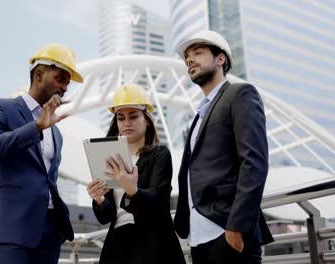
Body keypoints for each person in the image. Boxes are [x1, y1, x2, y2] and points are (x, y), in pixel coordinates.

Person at [0, 43, 83, 264]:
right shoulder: (1, 107)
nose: (64, 88)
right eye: (60, 79)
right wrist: (36, 127)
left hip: (49, 233)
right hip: (9, 230)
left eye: (67, 83)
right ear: (39, 74)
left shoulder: (56, 132)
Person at [173, 30, 274, 264]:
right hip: (198, 238)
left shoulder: (240, 94)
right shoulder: (198, 115)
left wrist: (236, 228)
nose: (189, 60)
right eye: (187, 57)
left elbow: (254, 162)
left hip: (227, 233)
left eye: (198, 52)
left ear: (221, 59)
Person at [86, 83, 186, 264]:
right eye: (121, 118)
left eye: (133, 116)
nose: (127, 123)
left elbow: (159, 203)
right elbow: (106, 217)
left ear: (146, 119)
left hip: (152, 243)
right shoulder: (110, 157)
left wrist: (133, 190)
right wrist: (99, 200)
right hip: (118, 244)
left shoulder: (159, 154)